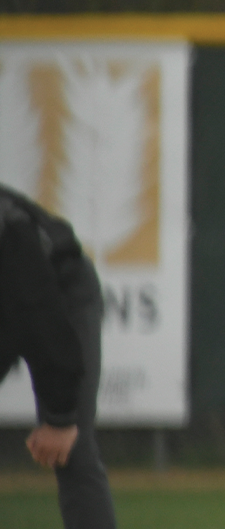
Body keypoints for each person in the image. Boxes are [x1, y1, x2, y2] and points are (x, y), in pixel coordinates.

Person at [0, 184, 118, 529]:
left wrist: (61, 417)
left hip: (61, 293)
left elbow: (40, 314)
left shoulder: (9, 231)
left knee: (73, 453)